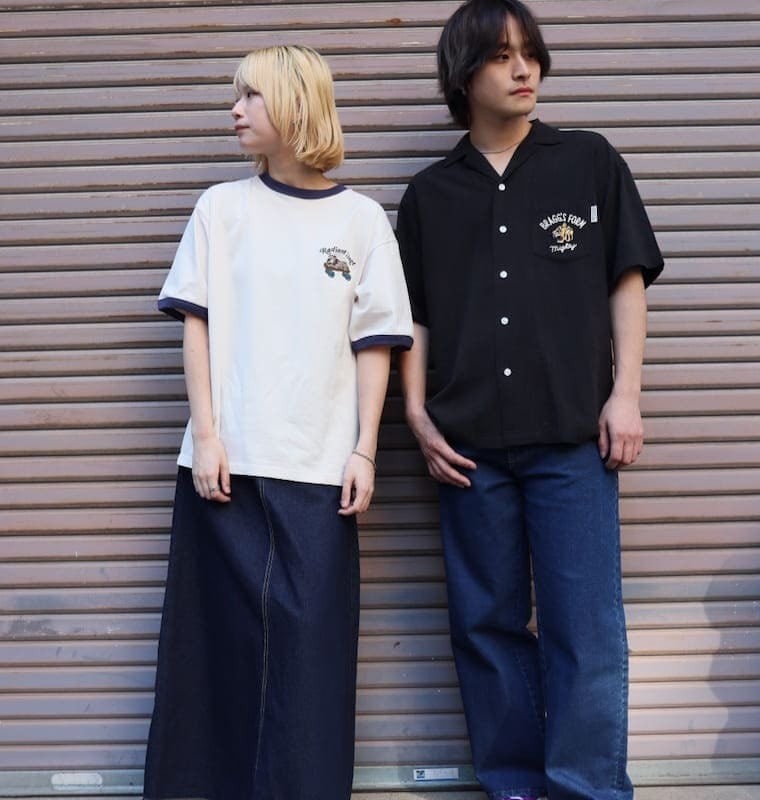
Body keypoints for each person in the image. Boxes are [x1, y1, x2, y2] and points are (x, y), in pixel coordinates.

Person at [396, 1, 664, 799]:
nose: (524, 69)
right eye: (501, 55)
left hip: (573, 439)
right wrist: (415, 413)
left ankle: (587, 788)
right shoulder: (430, 196)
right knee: (486, 626)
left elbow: (626, 280)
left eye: (531, 53)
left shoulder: (588, 162)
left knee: (585, 629)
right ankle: (513, 785)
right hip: (467, 448)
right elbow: (414, 318)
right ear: (462, 73)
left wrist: (626, 394)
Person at [143, 45, 413, 800]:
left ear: (295, 104)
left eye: (251, 96)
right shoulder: (220, 209)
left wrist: (364, 450)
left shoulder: (361, 221)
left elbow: (375, 345)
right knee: (212, 656)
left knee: (310, 659)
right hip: (224, 469)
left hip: (319, 475)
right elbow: (195, 325)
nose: (235, 110)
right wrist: (207, 434)